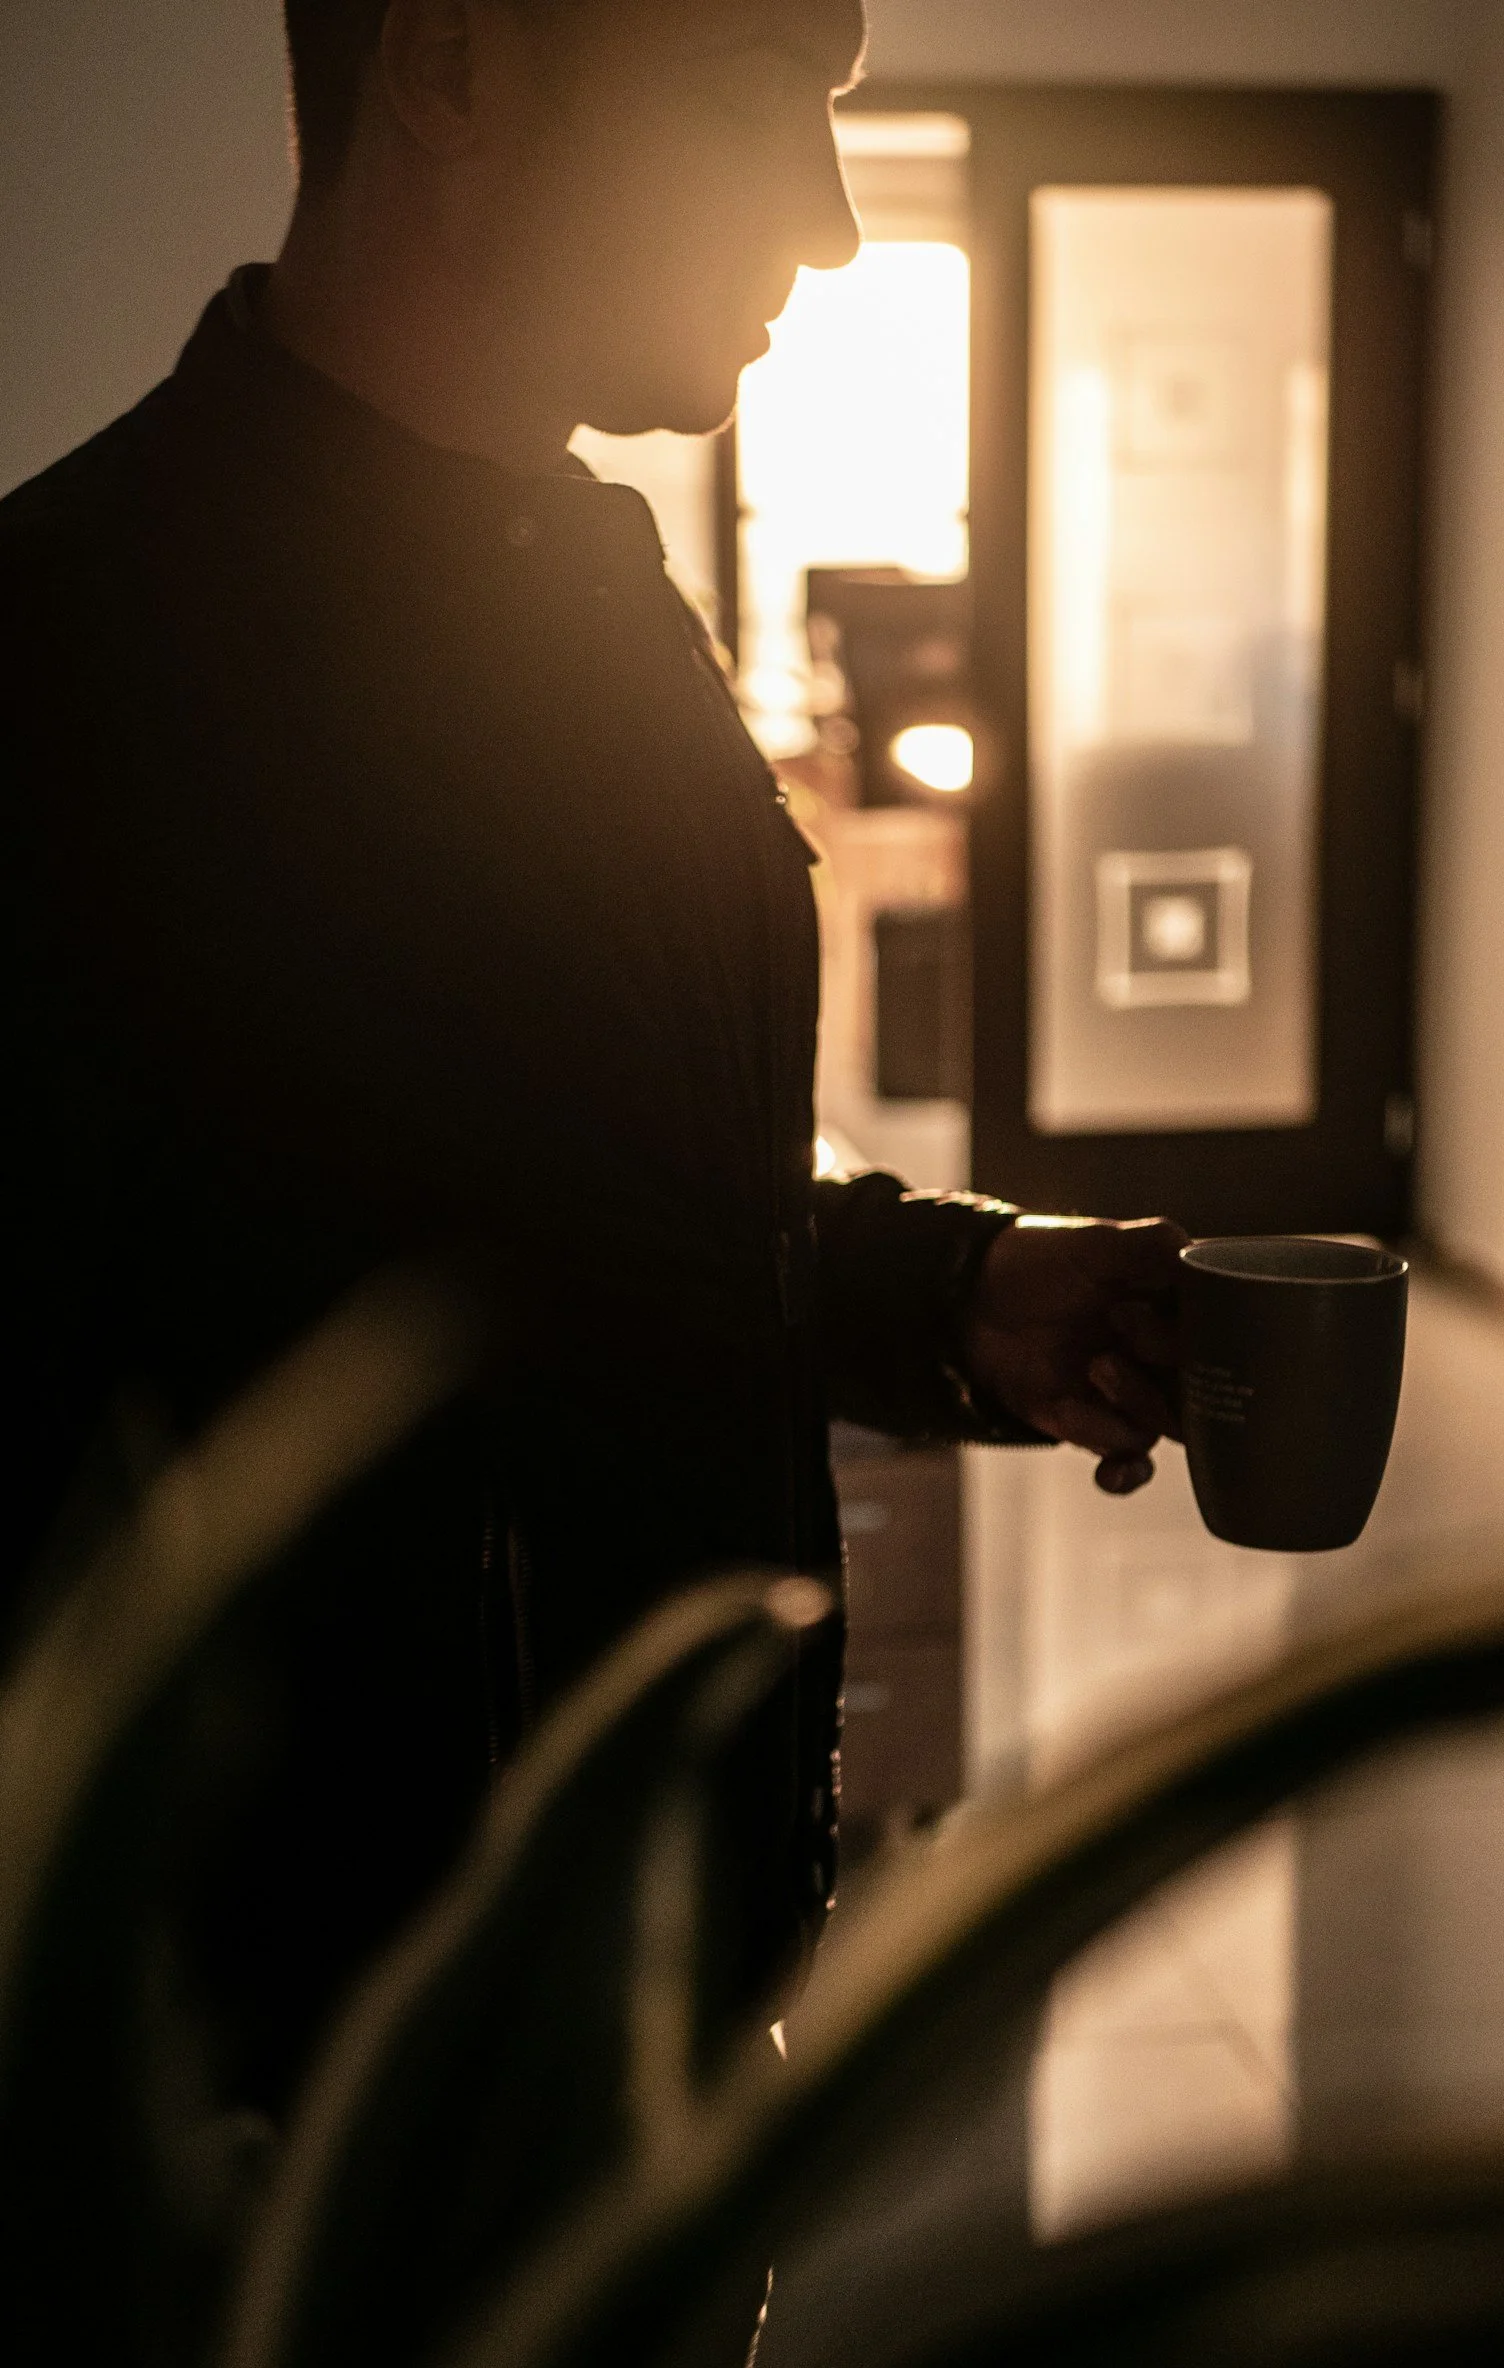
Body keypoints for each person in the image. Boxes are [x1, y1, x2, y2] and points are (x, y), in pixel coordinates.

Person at [0, 0, 1185, 2122]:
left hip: (652, 2001)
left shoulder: (595, 603)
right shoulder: (59, 671)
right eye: (761, 105)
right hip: (297, 2135)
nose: (825, 229)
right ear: (450, 67)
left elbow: (545, 1217)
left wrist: (945, 1295)